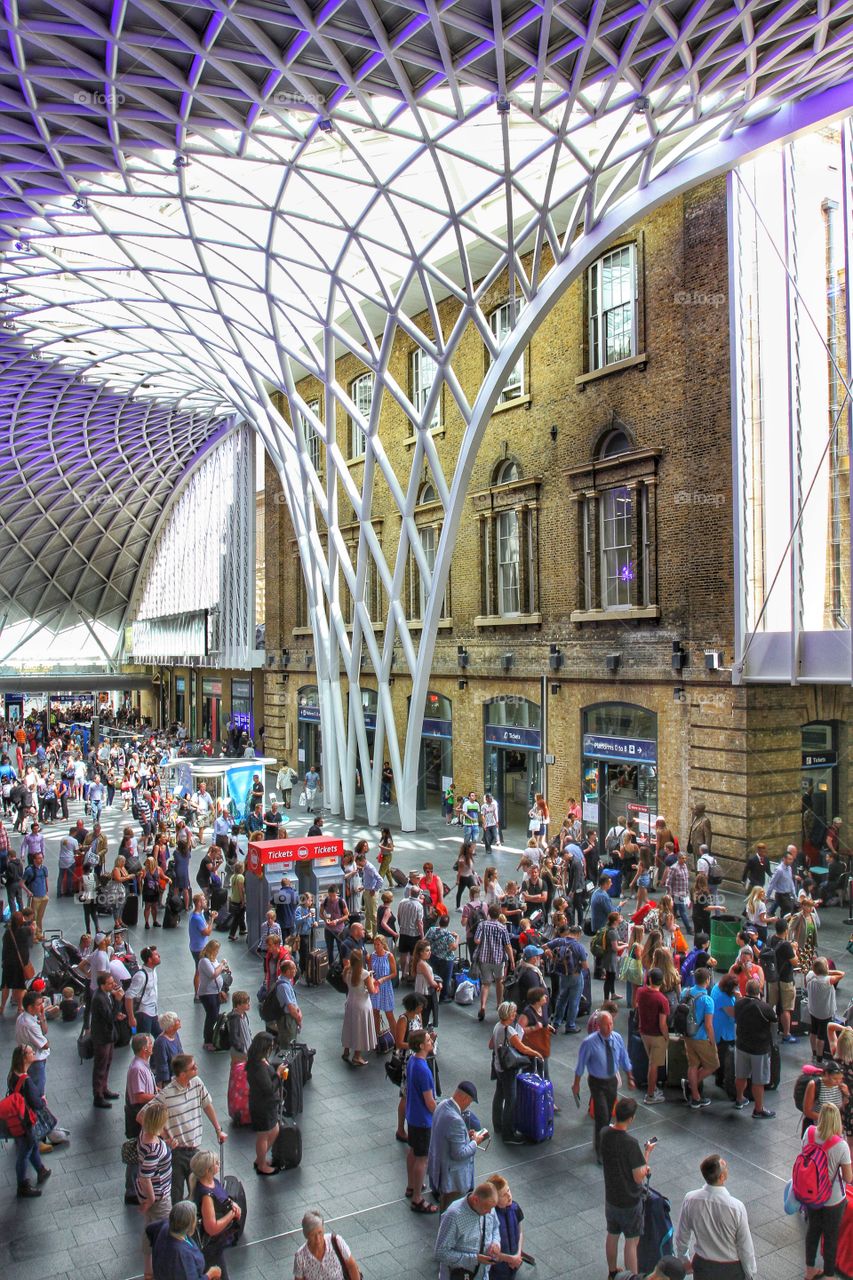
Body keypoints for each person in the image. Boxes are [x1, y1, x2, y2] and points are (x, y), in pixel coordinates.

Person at [674, 1154, 757, 1280]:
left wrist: (684, 1261)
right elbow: (745, 1246)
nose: (727, 1167)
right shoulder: (736, 1207)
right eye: (725, 1167)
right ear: (722, 1177)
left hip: (703, 1266)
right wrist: (750, 1273)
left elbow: (681, 1237)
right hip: (731, 1269)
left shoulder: (690, 1199)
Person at [158, 1054, 227, 1203]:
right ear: (182, 1074)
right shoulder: (166, 1095)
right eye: (193, 1067)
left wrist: (218, 1129)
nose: (197, 1068)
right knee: (176, 1193)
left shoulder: (196, 1083)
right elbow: (144, 1116)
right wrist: (165, 1138)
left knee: (198, 1192)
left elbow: (207, 1104)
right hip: (176, 1153)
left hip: (195, 1150)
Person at [601, 1097, 656, 1278]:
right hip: (630, 1201)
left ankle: (612, 1271)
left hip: (611, 1197)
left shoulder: (604, 1133)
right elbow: (639, 1176)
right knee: (632, 1241)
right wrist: (647, 1153)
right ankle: (632, 1277)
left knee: (612, 1234)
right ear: (631, 1119)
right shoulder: (630, 1143)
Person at [573, 1011, 635, 1162]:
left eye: (611, 1024)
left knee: (608, 1115)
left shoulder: (617, 1038)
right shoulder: (589, 1042)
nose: (610, 1027)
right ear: (599, 1025)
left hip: (611, 1080)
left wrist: (629, 1076)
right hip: (597, 1082)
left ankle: (604, 1140)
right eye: (606, 1024)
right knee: (601, 1114)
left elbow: (624, 1058)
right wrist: (576, 1084)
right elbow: (580, 1065)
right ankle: (600, 1150)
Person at [801, 1102, 853, 1280]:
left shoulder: (809, 1133)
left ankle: (809, 1270)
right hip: (833, 1199)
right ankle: (829, 1275)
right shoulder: (841, 1145)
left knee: (813, 1230)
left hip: (810, 1193)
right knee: (831, 1235)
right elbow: (848, 1178)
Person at [427, 1079, 485, 1211]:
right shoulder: (456, 1120)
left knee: (445, 1207)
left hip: (440, 1169)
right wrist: (475, 1142)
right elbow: (459, 1154)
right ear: (464, 1098)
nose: (468, 1105)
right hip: (453, 1179)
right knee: (451, 1212)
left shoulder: (442, 1105)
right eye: (469, 1101)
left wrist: (466, 1137)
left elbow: (447, 1137)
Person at [489, 999, 539, 1146]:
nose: (515, 1015)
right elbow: (522, 1048)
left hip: (498, 1065)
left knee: (499, 1095)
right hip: (508, 1069)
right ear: (508, 1015)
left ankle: (497, 1125)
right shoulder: (509, 1030)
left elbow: (491, 1045)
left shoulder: (497, 1026)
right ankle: (508, 1133)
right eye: (513, 1013)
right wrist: (536, 1053)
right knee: (511, 1099)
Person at [434, 1182, 502, 1280]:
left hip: (482, 1274)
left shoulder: (489, 1207)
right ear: (475, 1200)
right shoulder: (453, 1216)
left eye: (492, 1208)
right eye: (487, 1208)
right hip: (458, 1275)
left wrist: (496, 1242)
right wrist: (475, 1259)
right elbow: (440, 1253)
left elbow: (495, 1227)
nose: (490, 1212)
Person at [136, 1098, 173, 1278]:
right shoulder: (153, 1147)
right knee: (165, 1233)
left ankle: (148, 1272)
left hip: (151, 1197)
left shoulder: (145, 1134)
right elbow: (145, 1177)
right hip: (159, 1197)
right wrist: (150, 1200)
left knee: (149, 1228)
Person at [6, 1044, 50, 1197]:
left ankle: (41, 1170)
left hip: (16, 1118)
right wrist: (43, 1100)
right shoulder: (27, 1081)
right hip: (26, 1120)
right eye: (31, 1052)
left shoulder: (12, 1075)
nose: (34, 1054)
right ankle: (22, 1185)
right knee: (25, 1150)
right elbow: (36, 1103)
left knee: (30, 1145)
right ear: (25, 1058)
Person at [404, 1027, 439, 1214]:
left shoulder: (412, 1060)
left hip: (412, 1115)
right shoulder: (424, 1070)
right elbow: (430, 1102)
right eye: (427, 1040)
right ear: (420, 1045)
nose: (431, 1042)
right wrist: (440, 1112)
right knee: (422, 1158)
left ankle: (411, 1185)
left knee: (412, 1150)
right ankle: (417, 1198)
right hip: (423, 1120)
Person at [732, 977, 778, 1119]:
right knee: (758, 1080)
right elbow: (774, 1025)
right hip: (759, 1049)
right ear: (760, 991)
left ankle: (739, 1099)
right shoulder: (765, 1008)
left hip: (741, 1046)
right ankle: (758, 1109)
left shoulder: (738, 1004)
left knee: (740, 1075)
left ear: (746, 990)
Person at [245, 1031, 288, 1176]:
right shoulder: (258, 1066)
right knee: (263, 1135)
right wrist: (278, 1073)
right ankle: (262, 1164)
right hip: (262, 1105)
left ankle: (260, 1158)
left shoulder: (258, 1061)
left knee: (274, 1129)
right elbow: (269, 1088)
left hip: (266, 1104)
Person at [146, 1201, 222, 1280]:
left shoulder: (166, 1226)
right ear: (190, 1224)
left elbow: (149, 1229)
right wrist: (209, 1275)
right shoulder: (182, 1254)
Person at [682, 968, 719, 1110]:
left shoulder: (686, 992)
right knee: (712, 1065)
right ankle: (691, 1085)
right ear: (707, 980)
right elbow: (709, 1025)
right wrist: (712, 1041)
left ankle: (696, 1097)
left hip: (687, 1034)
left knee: (693, 1064)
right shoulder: (707, 1000)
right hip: (701, 1037)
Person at [634, 967, 670, 1104]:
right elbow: (662, 1024)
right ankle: (650, 1095)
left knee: (651, 1062)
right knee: (653, 1066)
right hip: (657, 1036)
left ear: (649, 979)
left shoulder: (640, 992)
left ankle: (652, 1088)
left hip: (644, 1032)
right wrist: (666, 1037)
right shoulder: (662, 1000)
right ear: (662, 981)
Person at [473, 905, 515, 1022]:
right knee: (499, 981)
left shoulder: (482, 925)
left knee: (485, 984)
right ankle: (499, 1004)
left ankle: (482, 1006)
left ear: (489, 914)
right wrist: (511, 960)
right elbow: (507, 945)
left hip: (484, 958)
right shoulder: (502, 927)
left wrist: (484, 942)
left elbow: (476, 940)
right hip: (498, 958)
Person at [293, 1209, 361, 1280]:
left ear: (323, 1229)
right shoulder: (300, 1256)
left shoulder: (336, 1241)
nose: (318, 1239)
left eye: (320, 1232)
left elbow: (351, 1266)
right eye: (312, 1235)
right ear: (306, 1235)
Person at [91, 972, 123, 1108]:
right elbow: (108, 1017)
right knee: (101, 1066)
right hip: (102, 1037)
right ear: (102, 985)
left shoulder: (106, 995)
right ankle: (98, 1095)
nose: (113, 985)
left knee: (107, 1063)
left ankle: (103, 1088)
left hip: (107, 1035)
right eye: (110, 983)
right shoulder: (99, 998)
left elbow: (110, 1014)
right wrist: (118, 1001)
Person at [341, 950, 377, 1066]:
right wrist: (372, 979)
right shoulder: (364, 973)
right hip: (362, 1005)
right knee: (360, 1030)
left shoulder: (346, 970)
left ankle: (346, 1050)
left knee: (349, 1026)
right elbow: (372, 990)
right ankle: (357, 1056)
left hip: (350, 1002)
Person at [807, 957, 842, 1062]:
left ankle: (813, 1052)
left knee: (813, 1031)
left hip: (813, 1009)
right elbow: (842, 974)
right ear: (825, 968)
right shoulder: (828, 980)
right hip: (825, 1013)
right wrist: (829, 971)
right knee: (821, 1035)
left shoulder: (810, 976)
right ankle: (819, 1057)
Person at [197, 939, 227, 1051]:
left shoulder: (212, 959)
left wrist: (223, 969)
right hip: (207, 993)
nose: (217, 952)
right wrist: (222, 964)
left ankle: (211, 1038)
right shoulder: (204, 961)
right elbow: (213, 974)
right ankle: (207, 1041)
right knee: (211, 1016)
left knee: (214, 1016)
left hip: (215, 992)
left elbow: (216, 971)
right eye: (216, 950)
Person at [369, 935, 397, 1040]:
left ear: (383, 944)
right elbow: (370, 971)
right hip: (375, 987)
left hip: (386, 987)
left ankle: (396, 1038)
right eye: (374, 944)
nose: (376, 947)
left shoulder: (389, 956)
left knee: (389, 1013)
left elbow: (394, 973)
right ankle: (377, 1036)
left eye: (378, 944)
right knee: (375, 1012)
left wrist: (383, 979)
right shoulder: (372, 956)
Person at [397, 884, 425, 980]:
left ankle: (404, 974)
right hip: (414, 934)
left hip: (403, 932)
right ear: (418, 894)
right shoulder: (419, 906)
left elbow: (399, 916)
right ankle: (412, 974)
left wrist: (401, 925)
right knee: (414, 955)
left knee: (403, 954)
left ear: (410, 892)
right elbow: (419, 923)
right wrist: (422, 936)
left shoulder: (402, 902)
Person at [272, 959, 302, 1047]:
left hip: (288, 1018)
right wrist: (298, 1019)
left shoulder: (283, 981)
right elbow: (291, 1007)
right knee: (289, 1043)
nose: (296, 970)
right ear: (288, 971)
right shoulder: (284, 986)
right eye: (294, 968)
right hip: (287, 1020)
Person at [152, 1012, 184, 1086]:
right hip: (169, 1079)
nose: (179, 1020)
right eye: (176, 1020)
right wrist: (165, 1084)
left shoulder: (175, 1034)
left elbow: (180, 1052)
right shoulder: (161, 1042)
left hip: (178, 1073)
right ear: (170, 1027)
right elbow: (162, 1065)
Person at [320, 885, 348, 967]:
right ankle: (331, 968)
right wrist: (325, 919)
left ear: (337, 894)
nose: (332, 898)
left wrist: (337, 921)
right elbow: (320, 913)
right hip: (328, 930)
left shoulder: (341, 901)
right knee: (329, 949)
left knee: (341, 949)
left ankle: (342, 967)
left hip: (339, 930)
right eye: (330, 895)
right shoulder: (325, 901)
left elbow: (347, 915)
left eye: (333, 896)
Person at [766, 847, 799, 917]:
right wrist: (767, 896)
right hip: (780, 895)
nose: (791, 861)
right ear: (784, 859)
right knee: (788, 909)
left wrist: (794, 896)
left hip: (787, 894)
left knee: (787, 911)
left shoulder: (789, 868)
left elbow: (791, 883)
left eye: (792, 859)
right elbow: (772, 883)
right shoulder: (779, 870)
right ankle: (783, 924)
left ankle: (782, 923)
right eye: (789, 859)